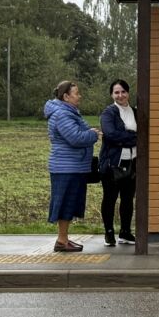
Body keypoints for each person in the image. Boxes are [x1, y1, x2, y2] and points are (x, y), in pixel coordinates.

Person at [46, 81, 102, 252]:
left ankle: (64, 239)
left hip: (73, 167)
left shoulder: (70, 113)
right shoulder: (62, 114)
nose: (80, 96)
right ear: (66, 96)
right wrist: (92, 134)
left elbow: (78, 133)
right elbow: (75, 138)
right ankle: (62, 241)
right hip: (66, 168)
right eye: (76, 93)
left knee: (69, 203)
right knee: (65, 203)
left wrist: (89, 132)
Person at [99, 79, 137, 247]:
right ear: (111, 95)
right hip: (112, 164)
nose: (120, 95)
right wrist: (133, 138)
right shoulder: (109, 113)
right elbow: (111, 134)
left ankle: (125, 232)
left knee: (128, 199)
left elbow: (144, 134)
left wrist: (126, 138)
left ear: (128, 93)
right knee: (110, 198)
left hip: (132, 162)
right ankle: (108, 232)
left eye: (123, 91)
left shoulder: (135, 112)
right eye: (116, 92)